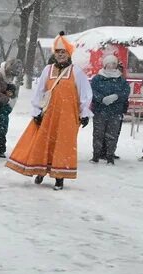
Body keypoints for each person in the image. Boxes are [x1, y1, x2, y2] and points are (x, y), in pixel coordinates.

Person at [6, 32, 91, 190]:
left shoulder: (76, 72)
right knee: (44, 144)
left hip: (67, 117)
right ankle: (41, 170)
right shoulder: (48, 70)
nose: (60, 55)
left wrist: (84, 114)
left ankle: (59, 177)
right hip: (49, 115)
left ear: (69, 53)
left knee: (62, 146)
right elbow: (39, 91)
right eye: (58, 52)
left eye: (63, 52)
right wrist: (37, 110)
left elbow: (85, 94)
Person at [89, 55, 131, 164]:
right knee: (98, 134)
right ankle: (96, 155)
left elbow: (126, 92)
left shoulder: (121, 79)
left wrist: (116, 96)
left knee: (112, 134)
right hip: (100, 110)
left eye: (113, 63)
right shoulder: (97, 78)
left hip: (115, 111)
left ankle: (110, 156)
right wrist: (101, 99)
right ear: (105, 64)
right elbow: (92, 92)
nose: (111, 65)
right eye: (109, 63)